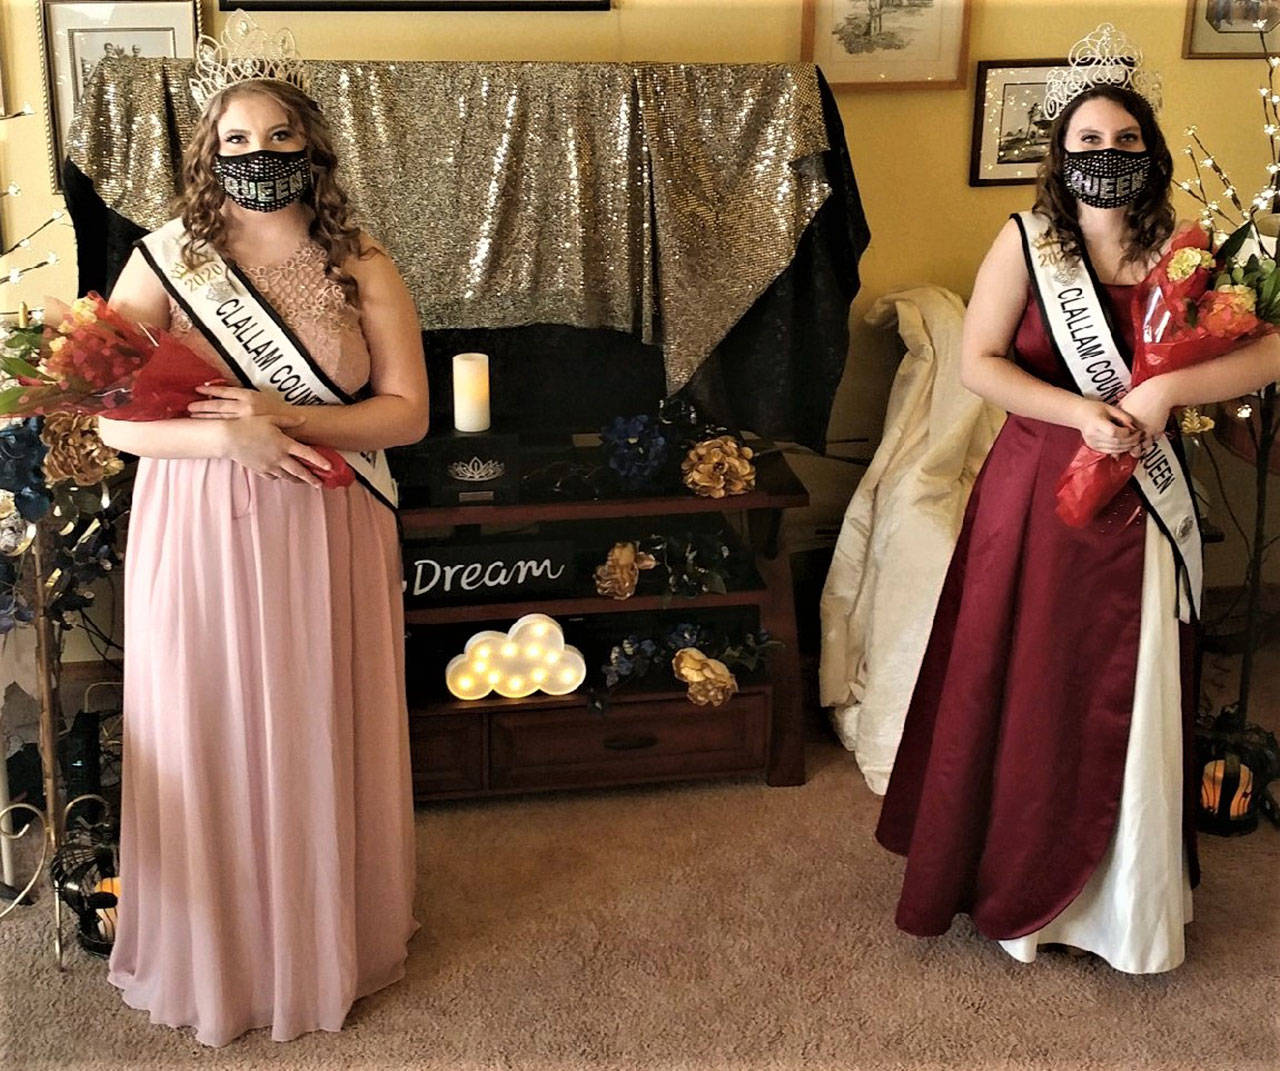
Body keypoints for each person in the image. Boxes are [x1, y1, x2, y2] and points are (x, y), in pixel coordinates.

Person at [874, 25, 1280, 973]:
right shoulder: (1025, 243)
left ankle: (1124, 903)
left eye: (1125, 142)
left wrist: (1165, 393)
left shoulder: (1189, 252)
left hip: (1147, 508)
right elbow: (979, 366)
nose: (1107, 157)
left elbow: (1267, 350)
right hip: (1042, 500)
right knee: (1039, 686)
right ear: (1061, 155)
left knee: (1132, 692)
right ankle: (1025, 891)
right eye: (1088, 143)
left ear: (1152, 151)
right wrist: (1082, 410)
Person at [97, 14, 428, 1045]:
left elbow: (405, 414)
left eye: (277, 137)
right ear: (207, 152)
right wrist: (222, 446)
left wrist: (281, 419)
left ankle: (326, 940)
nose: (257, 155)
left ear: (312, 146)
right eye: (234, 141)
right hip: (196, 529)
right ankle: (224, 958)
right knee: (211, 729)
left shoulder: (363, 260)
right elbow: (105, 415)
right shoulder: (166, 258)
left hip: (328, 522)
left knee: (316, 723)